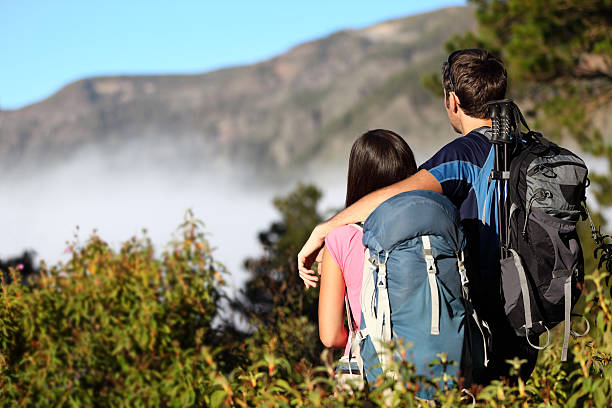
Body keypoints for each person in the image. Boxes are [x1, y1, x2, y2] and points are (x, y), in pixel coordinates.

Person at [300, 49, 539, 382]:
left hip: (481, 324)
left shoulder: (462, 154)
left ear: (452, 100)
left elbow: (396, 197)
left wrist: (326, 229)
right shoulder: (527, 146)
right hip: (531, 318)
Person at [318, 129, 417, 355]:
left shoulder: (341, 239)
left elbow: (330, 335)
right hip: (434, 363)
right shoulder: (434, 227)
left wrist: (363, 336)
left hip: (374, 371)